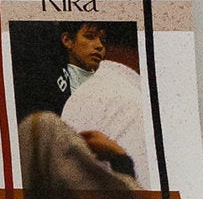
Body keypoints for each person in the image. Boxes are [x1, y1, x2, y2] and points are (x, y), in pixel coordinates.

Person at [53, 18, 150, 184]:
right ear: (68, 40)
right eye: (90, 37)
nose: (98, 46)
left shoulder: (112, 87)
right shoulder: (63, 94)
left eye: (102, 40)